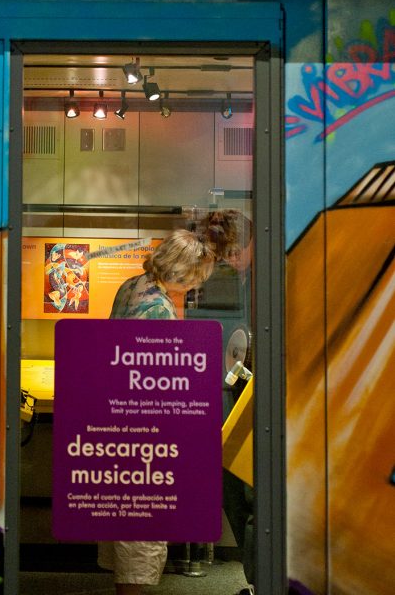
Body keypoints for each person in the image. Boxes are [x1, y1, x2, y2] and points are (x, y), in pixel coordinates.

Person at [97, 229, 216, 595]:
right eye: (198, 276)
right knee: (143, 530)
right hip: (143, 432)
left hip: (116, 423)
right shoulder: (158, 310)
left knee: (127, 525)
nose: (198, 284)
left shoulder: (132, 284)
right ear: (183, 271)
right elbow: (153, 382)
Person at [192, 209, 254, 595]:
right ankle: (255, 579)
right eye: (222, 252)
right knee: (233, 494)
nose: (229, 259)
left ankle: (260, 579)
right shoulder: (232, 282)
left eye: (234, 250)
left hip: (250, 403)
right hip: (228, 397)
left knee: (249, 496)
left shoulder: (265, 280)